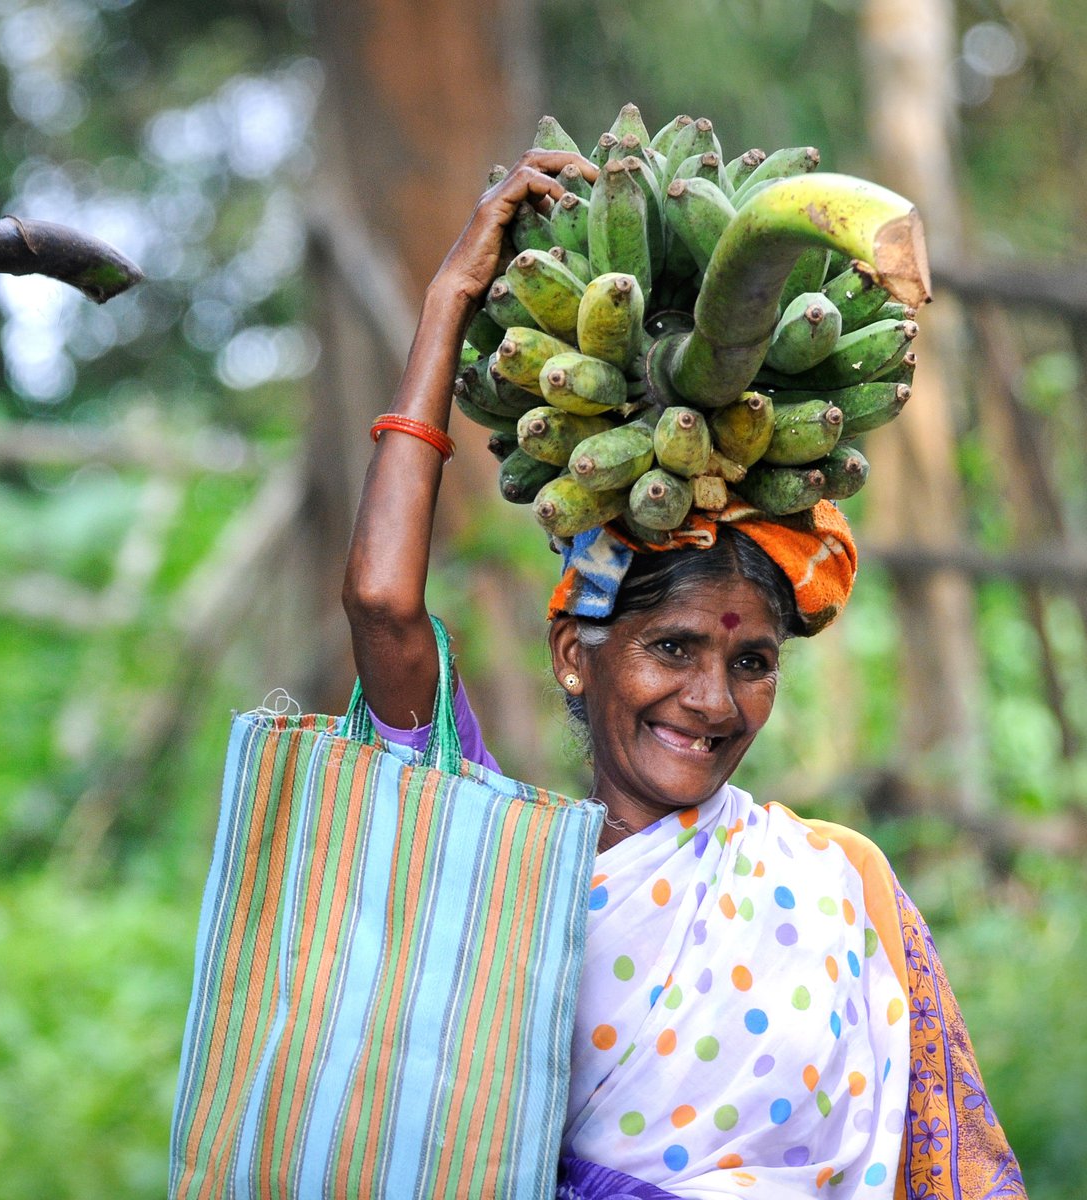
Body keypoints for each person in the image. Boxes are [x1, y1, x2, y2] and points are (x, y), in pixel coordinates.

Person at [342, 153, 1025, 1199]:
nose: (713, 701)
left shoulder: (836, 885)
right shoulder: (501, 876)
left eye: (751, 661)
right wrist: (447, 303)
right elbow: (385, 608)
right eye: (673, 649)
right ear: (578, 654)